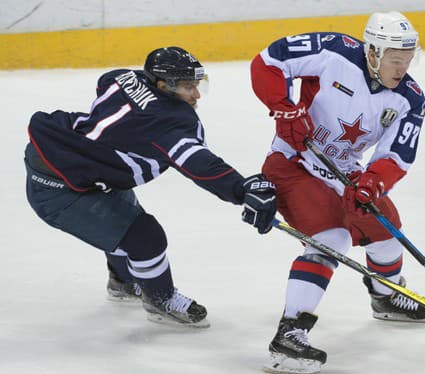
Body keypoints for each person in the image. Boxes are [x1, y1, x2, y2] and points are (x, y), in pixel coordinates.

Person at [25, 46, 276, 328]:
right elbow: (199, 165)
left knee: (124, 219)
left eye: (197, 85)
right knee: (146, 237)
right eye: (187, 87)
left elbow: (105, 82)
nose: (195, 95)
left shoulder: (125, 77)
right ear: (162, 85)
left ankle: (123, 281)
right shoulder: (170, 125)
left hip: (69, 155)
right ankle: (160, 299)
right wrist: (242, 190)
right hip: (60, 187)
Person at [250, 11, 425, 374]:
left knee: (388, 233)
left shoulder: (410, 99)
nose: (402, 69)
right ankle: (290, 333)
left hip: (346, 173)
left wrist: (373, 182)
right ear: (372, 53)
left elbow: (397, 156)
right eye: (394, 60)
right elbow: (267, 62)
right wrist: (285, 110)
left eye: (407, 60)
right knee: (331, 238)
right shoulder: (332, 52)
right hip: (295, 162)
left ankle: (385, 297)